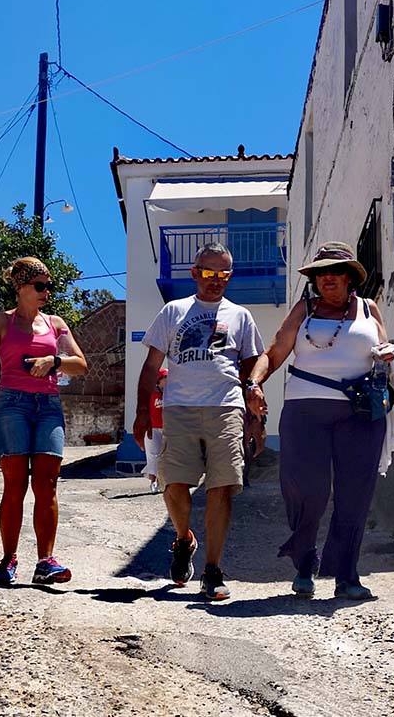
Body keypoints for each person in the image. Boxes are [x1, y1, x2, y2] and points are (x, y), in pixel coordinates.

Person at [246, 241, 394, 601]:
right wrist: (254, 382)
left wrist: (388, 357)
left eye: (335, 273)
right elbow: (274, 351)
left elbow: (384, 352)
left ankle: (346, 573)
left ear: (350, 277)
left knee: (355, 494)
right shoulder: (304, 310)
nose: (328, 279)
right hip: (305, 411)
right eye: (321, 274)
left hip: (361, 413)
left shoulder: (370, 310)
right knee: (307, 488)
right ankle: (304, 562)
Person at [134, 243, 264, 600]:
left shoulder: (241, 316)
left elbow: (251, 369)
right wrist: (142, 412)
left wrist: (255, 416)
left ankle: (212, 570)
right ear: (194, 273)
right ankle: (182, 538)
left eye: (223, 274)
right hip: (179, 410)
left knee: (222, 488)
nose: (216, 281)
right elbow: (149, 367)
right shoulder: (173, 311)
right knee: (173, 483)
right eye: (208, 273)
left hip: (227, 408)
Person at [0, 257, 88, 585]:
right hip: (12, 404)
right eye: (40, 286)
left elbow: (80, 364)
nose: (46, 291)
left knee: (47, 483)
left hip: (48, 405)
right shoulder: (0, 321)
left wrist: (54, 361)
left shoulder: (56, 324)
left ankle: (45, 562)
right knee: (15, 484)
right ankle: (8, 560)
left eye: (49, 285)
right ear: (21, 287)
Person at [142, 368, 168, 493]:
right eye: (165, 378)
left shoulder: (171, 394)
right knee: (153, 455)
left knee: (166, 456)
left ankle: (164, 481)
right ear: (159, 380)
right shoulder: (151, 395)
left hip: (167, 429)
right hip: (152, 429)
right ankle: (154, 481)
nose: (168, 380)